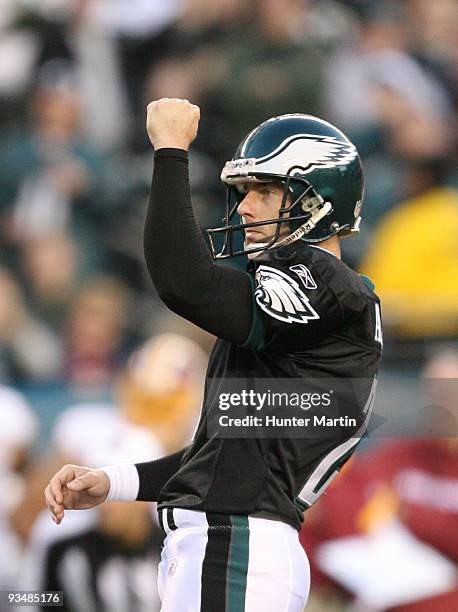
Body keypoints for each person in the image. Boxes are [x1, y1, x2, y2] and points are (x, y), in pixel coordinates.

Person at [45, 98, 383, 611]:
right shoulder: (309, 310)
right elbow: (221, 458)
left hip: (236, 544)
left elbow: (186, 284)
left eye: (265, 191)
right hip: (237, 544)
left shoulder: (324, 281)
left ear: (320, 200)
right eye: (245, 192)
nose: (244, 207)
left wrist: (170, 150)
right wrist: (113, 482)